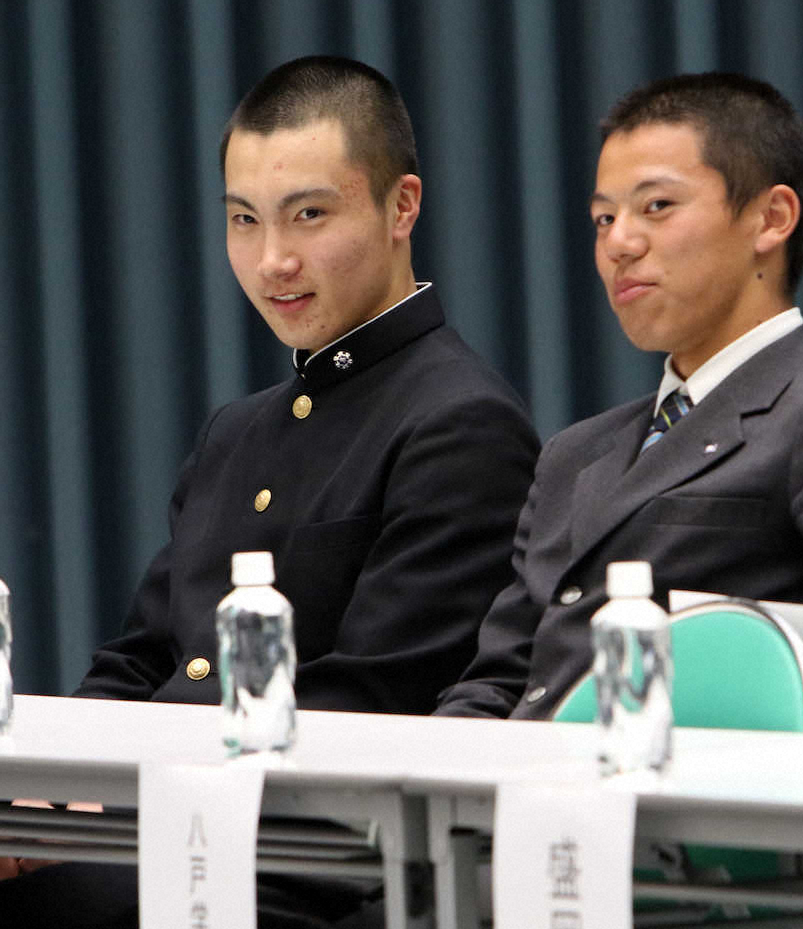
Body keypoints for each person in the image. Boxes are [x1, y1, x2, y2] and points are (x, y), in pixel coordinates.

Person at [0, 55, 538, 927]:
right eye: (243, 220)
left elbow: (374, 706)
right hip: (163, 833)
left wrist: (115, 816)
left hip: (296, 861)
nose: (273, 259)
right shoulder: (238, 430)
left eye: (309, 215)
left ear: (403, 207)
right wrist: (50, 809)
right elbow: (139, 660)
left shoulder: (460, 421)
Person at [436, 72, 803, 736]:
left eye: (656, 207)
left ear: (772, 218)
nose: (619, 243)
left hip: (716, 829)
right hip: (543, 819)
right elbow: (504, 680)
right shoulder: (572, 456)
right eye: (603, 218)